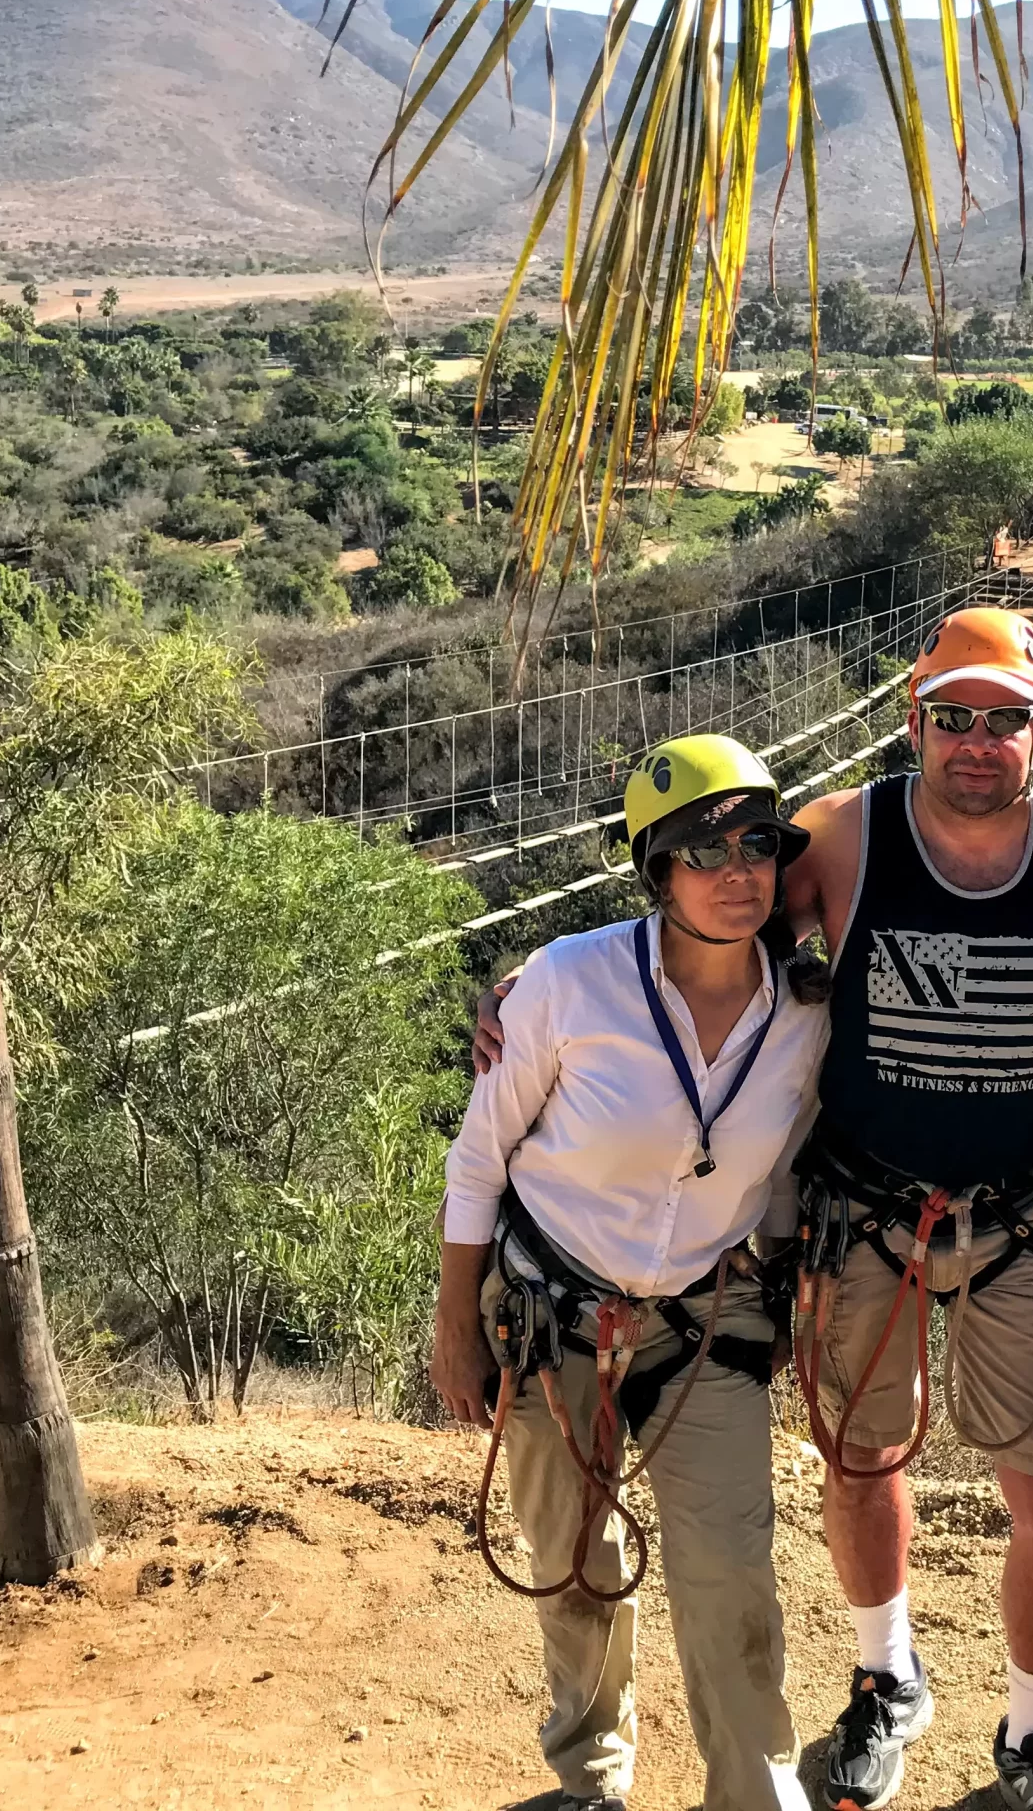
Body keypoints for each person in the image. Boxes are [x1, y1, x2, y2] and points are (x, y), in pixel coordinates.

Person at [475, 607, 1033, 1811]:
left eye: (1005, 719)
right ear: (913, 720)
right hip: (860, 1208)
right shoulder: (843, 834)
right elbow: (700, 907)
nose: (975, 740)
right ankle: (886, 1680)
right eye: (950, 716)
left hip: (1020, 1210)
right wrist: (536, 978)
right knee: (859, 1457)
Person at [436, 735, 830, 1811]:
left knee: (731, 1569)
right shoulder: (569, 984)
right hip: (551, 1309)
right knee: (571, 1561)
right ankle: (591, 1775)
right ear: (657, 870)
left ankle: (754, 1792)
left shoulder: (805, 1009)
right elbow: (479, 1163)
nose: (740, 870)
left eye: (760, 844)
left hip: (703, 1319)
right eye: (708, 851)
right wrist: (455, 1330)